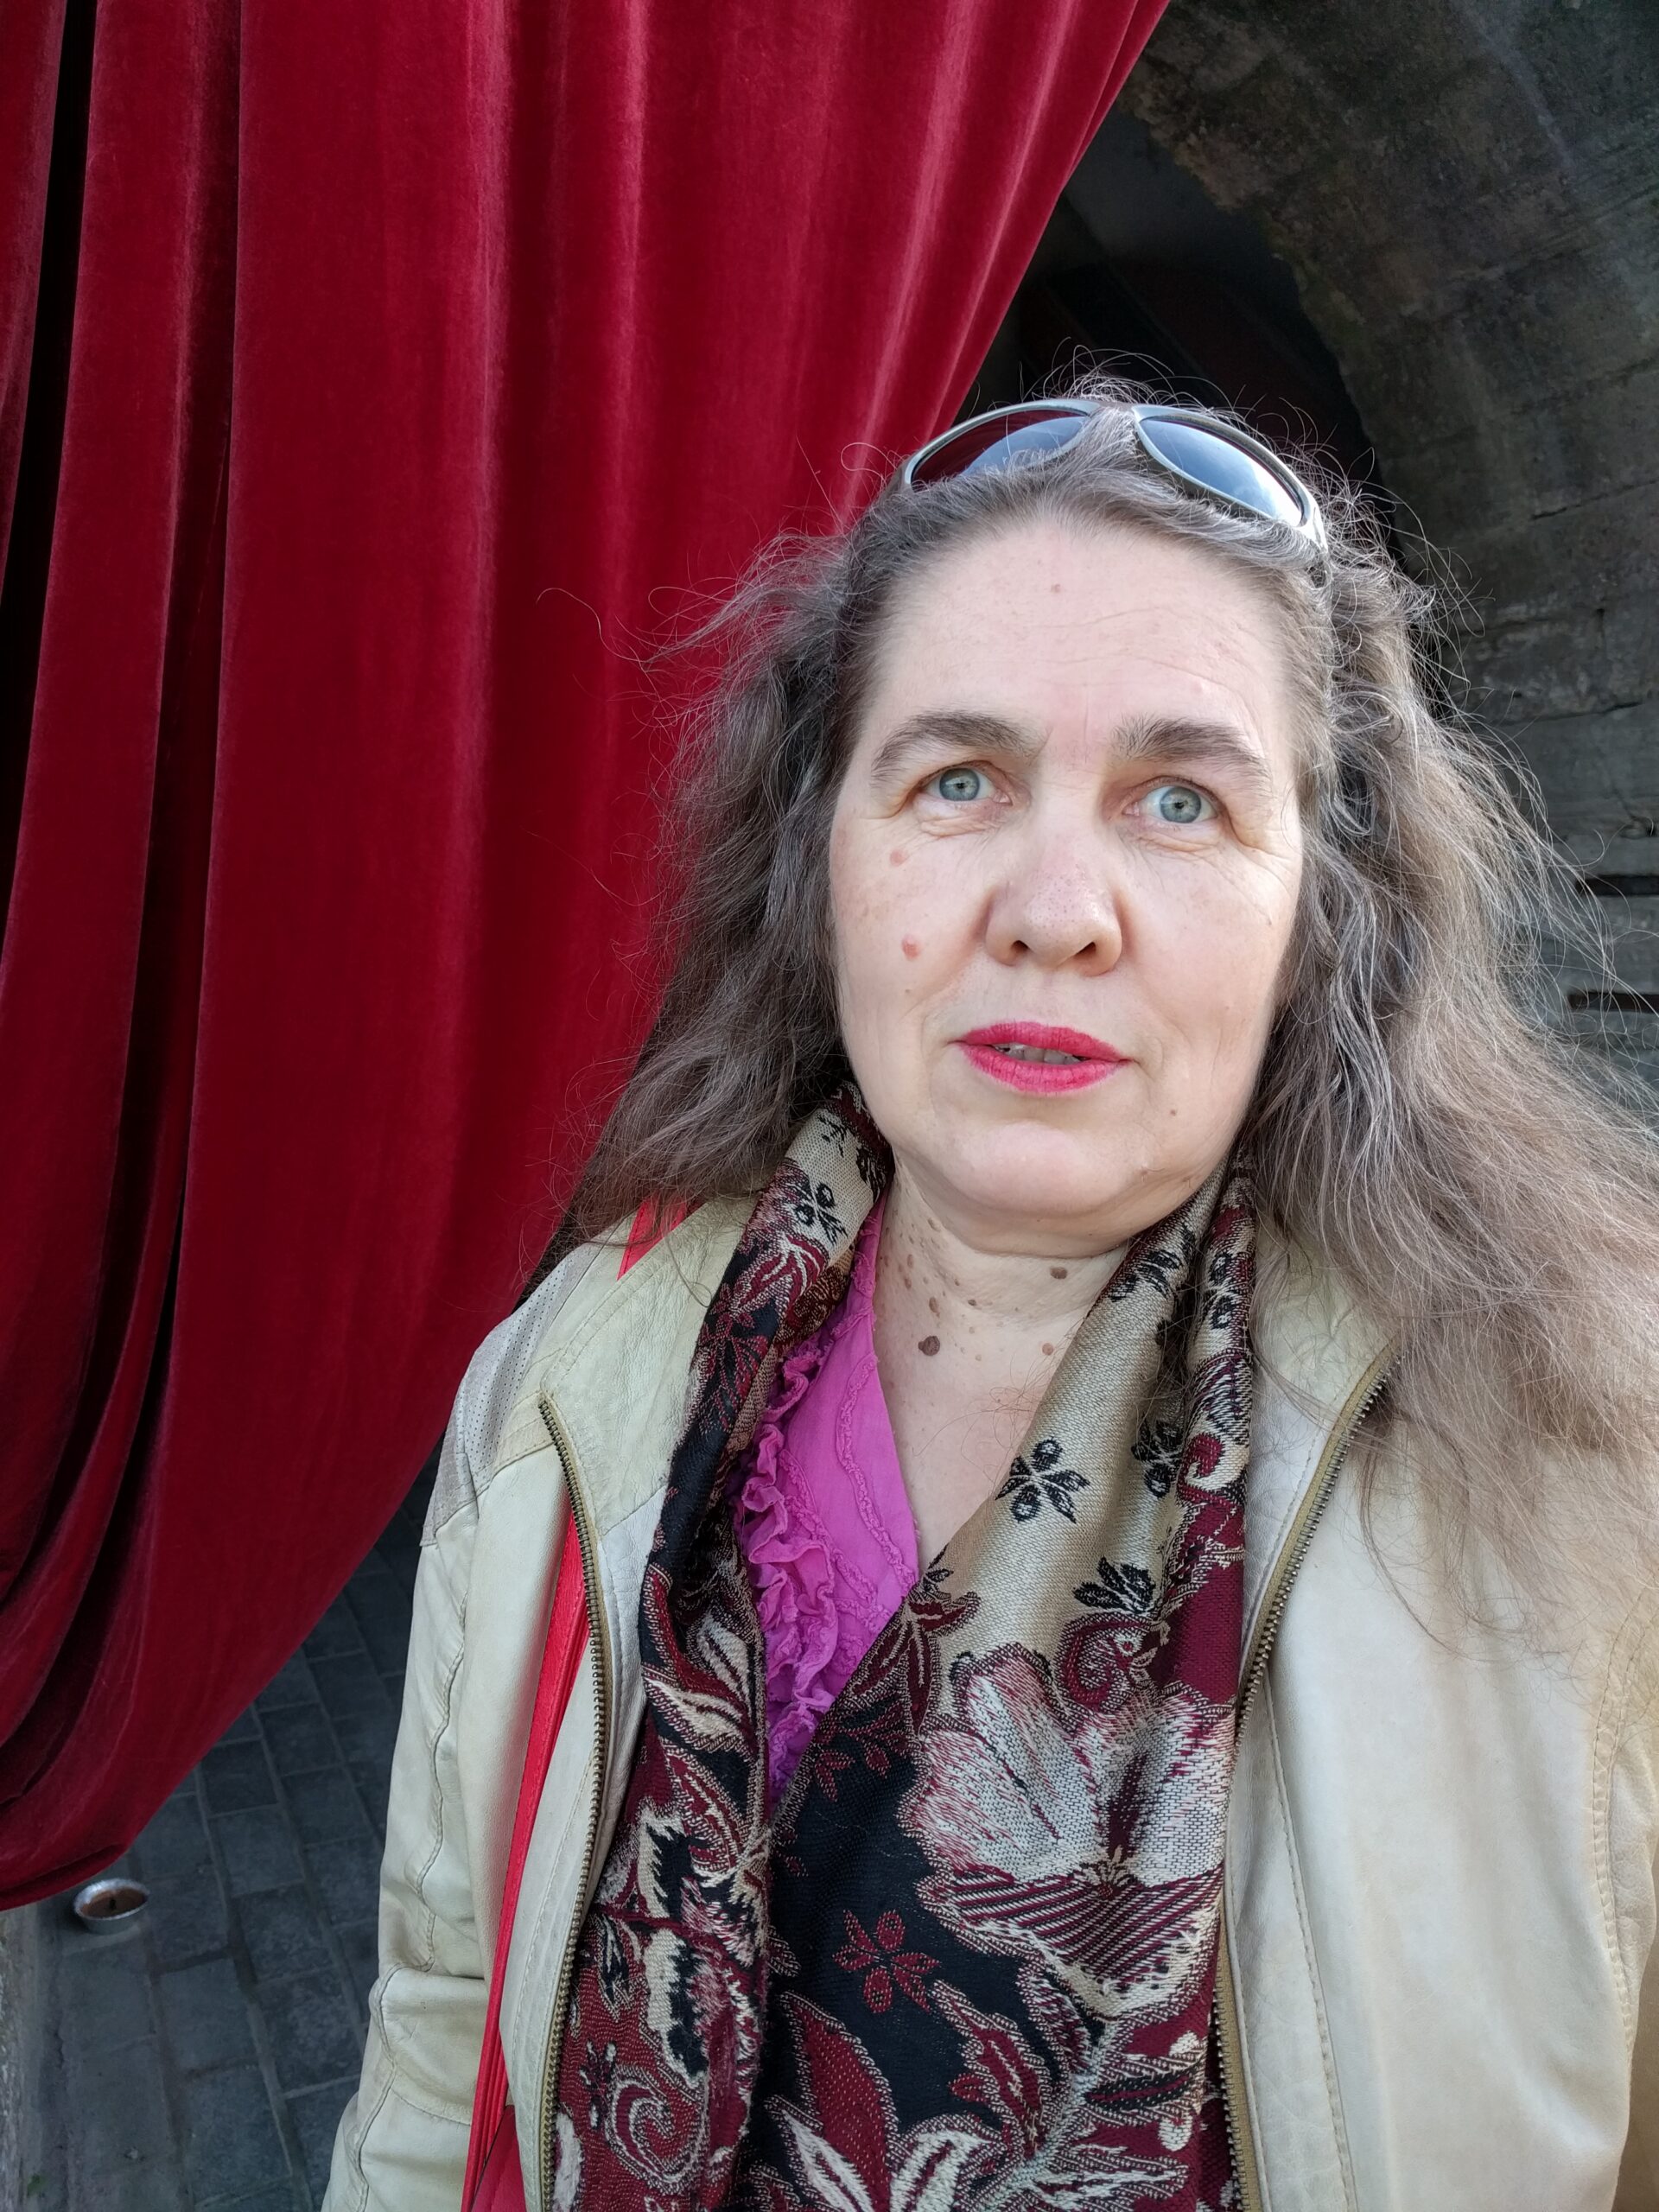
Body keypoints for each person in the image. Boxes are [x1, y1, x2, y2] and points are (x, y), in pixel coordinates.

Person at [322, 384, 1659, 2212]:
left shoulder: (1591, 1470)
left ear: (1318, 911)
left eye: (1180, 800)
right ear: (821, 862)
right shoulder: (564, 1390)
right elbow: (438, 2047)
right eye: (958, 779)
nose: (1054, 907)